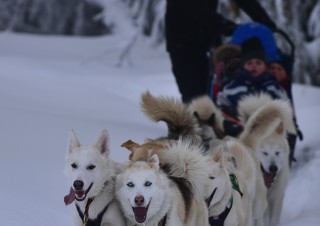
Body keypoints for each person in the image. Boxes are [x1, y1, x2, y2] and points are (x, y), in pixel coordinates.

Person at [165, 0, 277, 103]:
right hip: (181, 41)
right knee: (193, 93)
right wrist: (223, 25)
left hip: (207, 41)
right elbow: (192, 9)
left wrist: (264, 21)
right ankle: (190, 120)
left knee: (213, 91)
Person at [217, 37, 289, 136]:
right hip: (237, 129)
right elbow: (222, 103)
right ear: (243, 66)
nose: (254, 66)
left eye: (258, 63)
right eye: (249, 63)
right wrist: (230, 111)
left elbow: (284, 106)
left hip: (267, 132)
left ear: (265, 66)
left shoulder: (273, 87)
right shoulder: (232, 86)